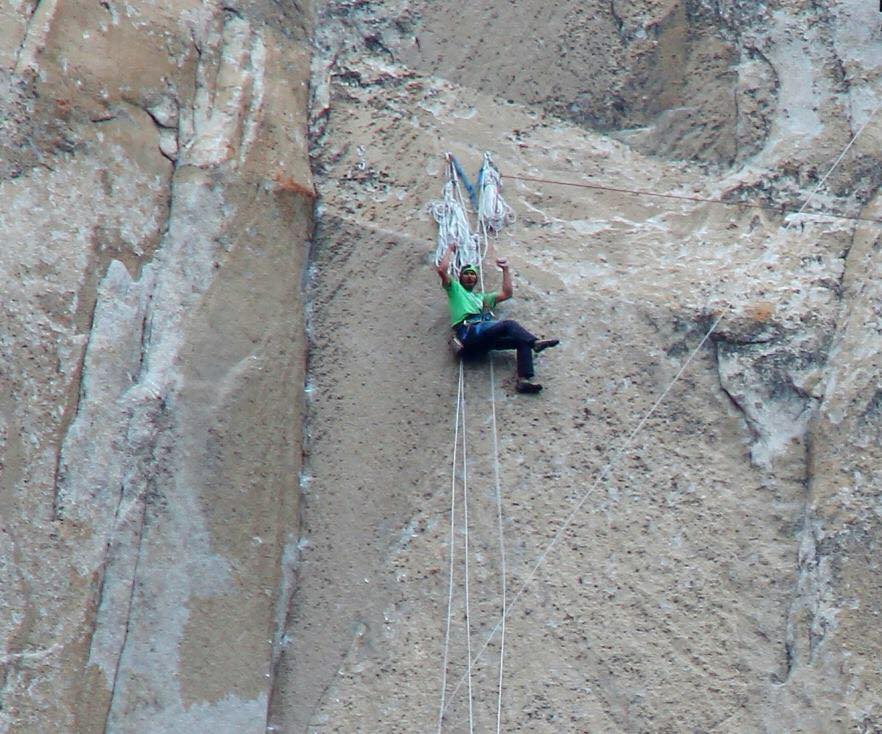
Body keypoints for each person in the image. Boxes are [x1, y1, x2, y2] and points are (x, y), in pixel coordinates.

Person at [436, 243, 559, 393]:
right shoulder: (455, 289)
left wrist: (505, 270)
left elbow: (507, 293)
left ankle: (523, 380)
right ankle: (535, 343)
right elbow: (442, 270)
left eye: (472, 274)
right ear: (460, 277)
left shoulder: (483, 298)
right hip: (468, 334)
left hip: (481, 341)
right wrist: (450, 249)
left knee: (521, 341)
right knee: (509, 325)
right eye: (466, 274)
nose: (469, 276)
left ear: (476, 279)